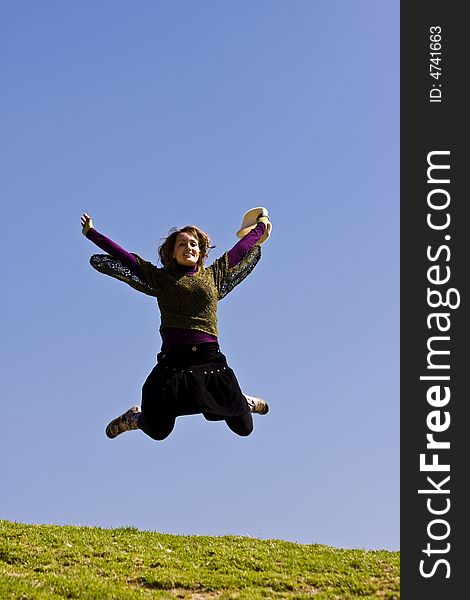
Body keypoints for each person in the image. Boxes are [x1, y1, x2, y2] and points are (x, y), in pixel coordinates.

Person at [80, 208, 272, 441]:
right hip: (174, 363)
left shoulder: (214, 274)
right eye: (181, 244)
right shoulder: (160, 278)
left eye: (193, 244)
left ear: (200, 251)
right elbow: (125, 258)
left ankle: (243, 402)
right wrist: (92, 233)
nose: (188, 247)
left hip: (210, 361)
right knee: (159, 431)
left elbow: (242, 248)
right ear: (172, 252)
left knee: (244, 428)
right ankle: (134, 418)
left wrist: (261, 226)